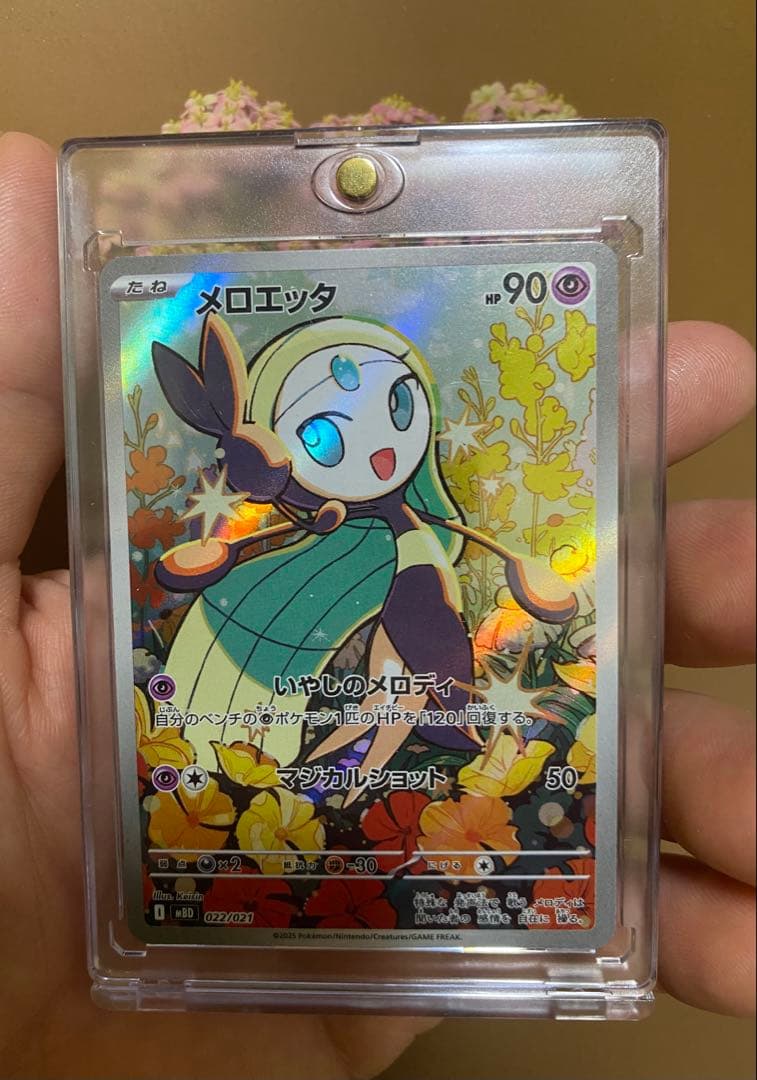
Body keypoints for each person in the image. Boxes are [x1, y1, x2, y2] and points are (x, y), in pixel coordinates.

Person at [0, 132, 754, 1079]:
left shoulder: (411, 541)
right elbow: (252, 555)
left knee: (411, 650)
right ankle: (328, 767)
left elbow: (418, 620)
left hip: (374, 649)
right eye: (325, 430)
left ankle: (354, 764)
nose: (380, 442)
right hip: (241, 731)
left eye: (399, 405)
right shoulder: (304, 538)